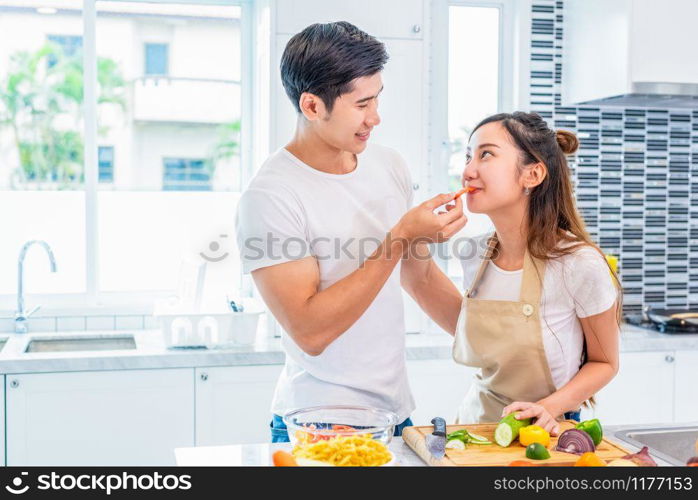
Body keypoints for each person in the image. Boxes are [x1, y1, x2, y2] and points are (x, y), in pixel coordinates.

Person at [235, 21, 467, 442]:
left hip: (393, 414)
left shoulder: (388, 165)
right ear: (311, 106)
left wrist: (501, 345)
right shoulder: (271, 196)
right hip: (318, 422)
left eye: (377, 99)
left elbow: (420, 277)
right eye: (361, 104)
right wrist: (398, 238)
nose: (375, 118)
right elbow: (311, 332)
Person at [403, 111, 621, 435]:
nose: (467, 171)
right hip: (476, 428)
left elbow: (605, 363)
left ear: (532, 175)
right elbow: (428, 291)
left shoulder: (579, 263)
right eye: (467, 157)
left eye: (485, 154)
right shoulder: (475, 254)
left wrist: (548, 408)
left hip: (547, 433)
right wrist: (411, 237)